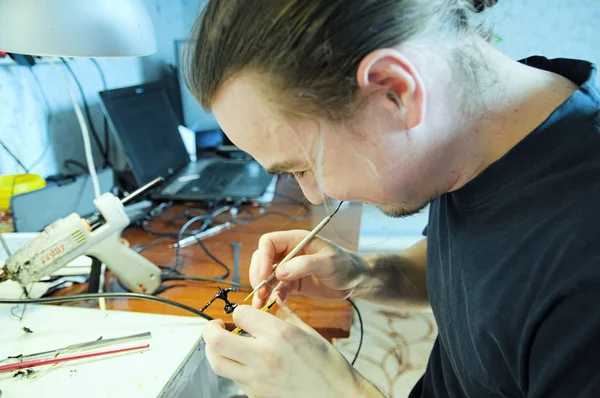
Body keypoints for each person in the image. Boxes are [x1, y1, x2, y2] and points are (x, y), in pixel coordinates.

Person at [185, 0, 600, 397]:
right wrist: (364, 273)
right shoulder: (478, 133)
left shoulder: (584, 274)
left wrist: (340, 392)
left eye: (303, 165)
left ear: (394, 92)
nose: (314, 193)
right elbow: (479, 279)